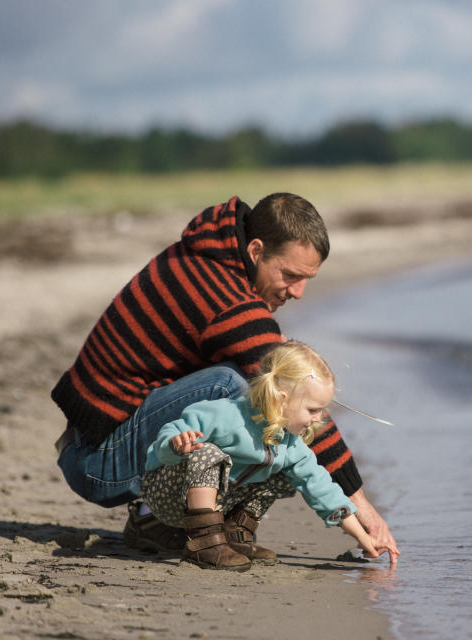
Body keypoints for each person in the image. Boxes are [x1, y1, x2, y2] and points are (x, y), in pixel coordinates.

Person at [52, 193, 399, 564]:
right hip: (97, 461)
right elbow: (297, 392)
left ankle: (161, 522)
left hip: (102, 436)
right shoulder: (228, 300)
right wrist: (361, 504)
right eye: (290, 275)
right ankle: (198, 532)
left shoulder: (207, 257)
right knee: (240, 388)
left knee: (256, 404)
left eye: (306, 280)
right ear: (255, 251)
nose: (297, 293)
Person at [142, 341, 397, 571]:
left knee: (291, 475)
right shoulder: (225, 415)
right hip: (169, 494)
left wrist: (364, 539)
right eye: (313, 410)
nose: (319, 418)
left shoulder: (291, 445)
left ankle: (234, 534)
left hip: (220, 503)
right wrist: (176, 445)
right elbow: (166, 438)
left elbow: (322, 490)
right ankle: (205, 544)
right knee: (207, 452)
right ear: (281, 399)